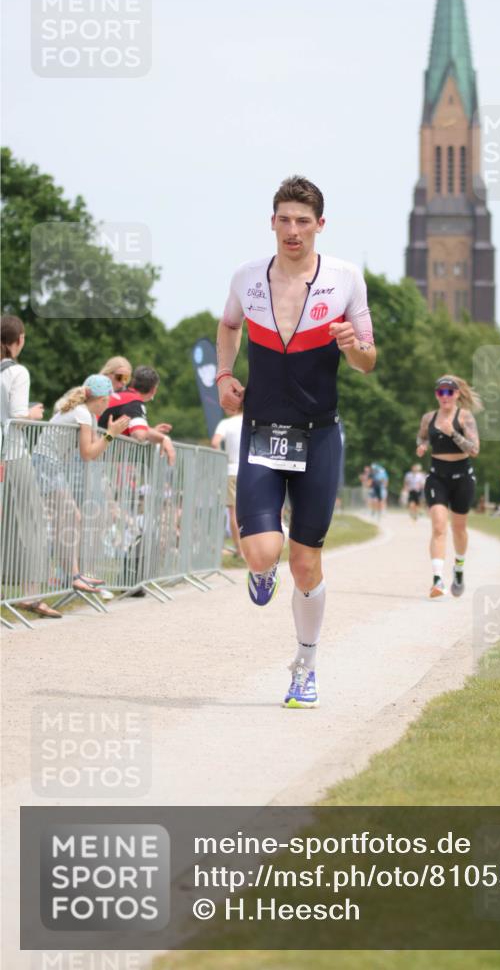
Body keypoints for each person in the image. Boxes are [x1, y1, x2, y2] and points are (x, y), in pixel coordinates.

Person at [216, 175, 376, 708]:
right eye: (283, 219)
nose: (292, 229)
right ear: (272, 222)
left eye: (302, 221)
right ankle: (262, 569)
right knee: (263, 553)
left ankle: (304, 668)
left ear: (319, 226)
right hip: (261, 431)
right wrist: (223, 375)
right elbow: (228, 324)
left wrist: (353, 346)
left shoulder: (346, 279)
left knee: (306, 564)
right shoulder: (246, 277)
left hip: (319, 434)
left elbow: (367, 362)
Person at [33, 375, 130, 593]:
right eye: (108, 400)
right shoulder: (82, 413)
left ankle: (73, 574)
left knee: (69, 518)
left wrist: (107, 436)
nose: (108, 405)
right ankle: (72, 575)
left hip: (49, 464)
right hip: (46, 464)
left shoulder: (86, 415)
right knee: (70, 518)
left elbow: (92, 452)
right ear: (102, 399)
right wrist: (112, 435)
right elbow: (88, 453)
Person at [0, 315, 52, 617]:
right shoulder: (18, 372)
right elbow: (18, 415)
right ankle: (33, 594)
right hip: (13, 454)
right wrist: (34, 413)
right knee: (32, 523)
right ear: (18, 340)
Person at [416, 374, 481, 598]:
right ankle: (437, 580)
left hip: (463, 477)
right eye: (440, 392)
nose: (445, 396)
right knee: (438, 526)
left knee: (459, 529)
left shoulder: (465, 417)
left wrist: (451, 432)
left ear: (456, 394)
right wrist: (423, 445)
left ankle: (459, 568)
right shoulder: (428, 418)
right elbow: (422, 437)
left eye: (449, 392)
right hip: (437, 477)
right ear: (436, 395)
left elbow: (474, 450)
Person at [98, 365, 176, 466]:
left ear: (133, 382)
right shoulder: (134, 402)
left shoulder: (123, 395)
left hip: (85, 448)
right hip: (88, 455)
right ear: (154, 390)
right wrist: (164, 438)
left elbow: (136, 429)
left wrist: (152, 432)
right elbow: (139, 434)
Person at [211, 412, 244, 557]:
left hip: (232, 469)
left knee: (234, 512)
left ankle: (240, 550)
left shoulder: (226, 423)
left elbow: (215, 442)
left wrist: (222, 460)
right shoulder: (254, 420)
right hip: (252, 470)